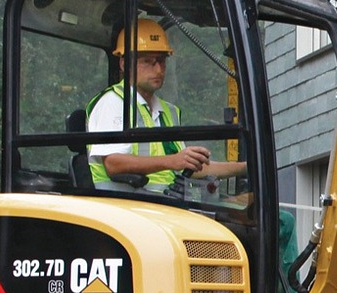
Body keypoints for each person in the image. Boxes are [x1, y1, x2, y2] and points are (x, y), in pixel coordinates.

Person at [87, 18, 248, 191]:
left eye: (161, 61)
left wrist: (247, 167)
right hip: (124, 206)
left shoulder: (167, 111)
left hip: (163, 203)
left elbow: (187, 167)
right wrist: (173, 161)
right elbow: (113, 164)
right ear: (124, 64)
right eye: (148, 61)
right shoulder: (113, 102)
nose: (158, 70)